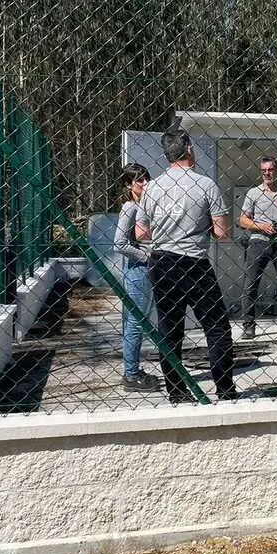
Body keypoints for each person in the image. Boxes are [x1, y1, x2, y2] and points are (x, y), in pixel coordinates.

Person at [136, 129, 238, 402]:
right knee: (216, 326)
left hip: (161, 262)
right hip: (194, 262)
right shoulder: (206, 185)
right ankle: (226, 390)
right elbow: (221, 231)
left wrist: (165, 228)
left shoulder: (153, 187)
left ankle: (177, 393)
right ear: (189, 149)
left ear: (165, 154)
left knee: (170, 328)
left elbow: (140, 233)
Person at [238, 156, 277, 339]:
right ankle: (249, 327)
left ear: (276, 171)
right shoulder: (253, 193)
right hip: (258, 242)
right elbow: (242, 220)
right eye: (264, 170)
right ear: (261, 172)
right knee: (250, 285)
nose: (267, 173)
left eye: (270, 170)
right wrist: (261, 226)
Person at [113, 163, 160, 392]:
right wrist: (147, 257)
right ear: (128, 184)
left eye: (146, 178)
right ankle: (130, 375)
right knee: (135, 323)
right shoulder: (130, 207)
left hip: (144, 270)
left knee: (139, 323)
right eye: (139, 180)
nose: (145, 184)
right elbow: (119, 243)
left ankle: (133, 369)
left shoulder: (145, 205)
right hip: (138, 271)